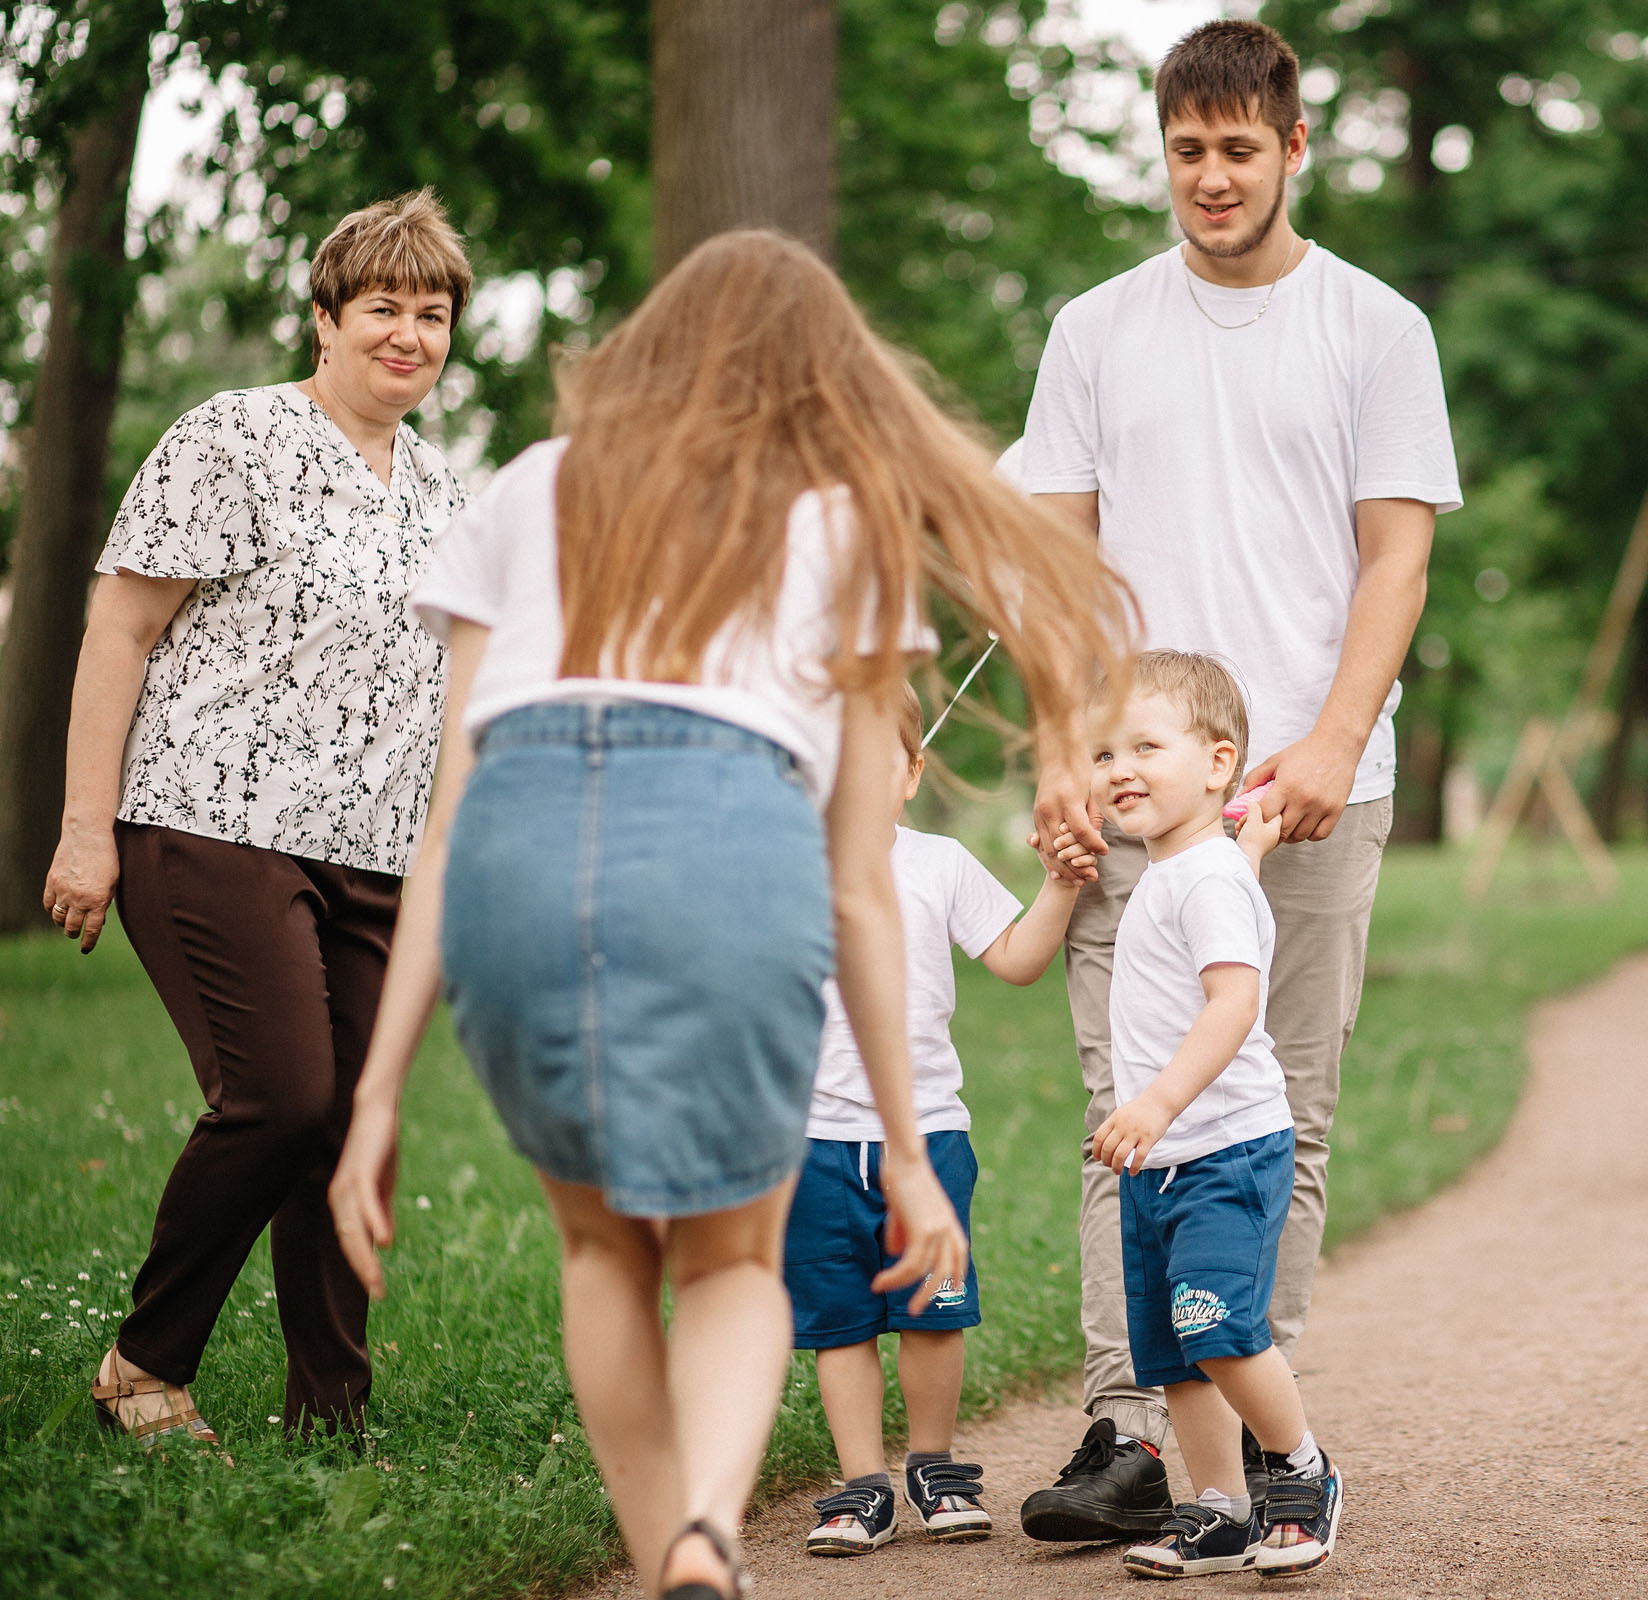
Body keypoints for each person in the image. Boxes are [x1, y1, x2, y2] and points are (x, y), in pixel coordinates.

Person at [324, 231, 1129, 1600]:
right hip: (720, 830)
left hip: (516, 843)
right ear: (827, 380)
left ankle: (667, 1568)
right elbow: (859, 886)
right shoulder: (838, 519)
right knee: (733, 1261)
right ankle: (705, 1527)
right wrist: (909, 1157)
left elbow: (447, 819)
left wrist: (378, 1095)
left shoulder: (532, 484)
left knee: (601, 1248)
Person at [1014, 18, 1460, 1535]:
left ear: (1293, 150)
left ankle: (1257, 1441)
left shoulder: (1375, 327)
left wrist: (1332, 738)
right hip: (1130, 782)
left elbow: (1397, 558)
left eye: (1238, 150)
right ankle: (1128, 1434)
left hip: (1309, 788)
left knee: (1283, 1112)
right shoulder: (1095, 328)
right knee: (1120, 1103)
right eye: (1188, 151)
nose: (1211, 177)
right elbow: (1050, 567)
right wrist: (1061, 752)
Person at [39, 191, 472, 1443]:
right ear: (326, 318)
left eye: (432, 314)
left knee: (345, 1122)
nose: (409, 334)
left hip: (378, 852)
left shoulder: (446, 490)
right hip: (208, 819)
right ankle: (144, 1362)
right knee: (281, 1094)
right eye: (383, 307)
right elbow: (118, 629)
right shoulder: (233, 437)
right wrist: (84, 830)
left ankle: (331, 1415)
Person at [792, 687, 1088, 1557]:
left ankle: (934, 1467)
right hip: (810, 1139)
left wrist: (1061, 885)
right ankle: (862, 1486)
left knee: (933, 1308)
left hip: (927, 1131)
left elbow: (1018, 959)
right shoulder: (783, 869)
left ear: (913, 771)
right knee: (837, 1320)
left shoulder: (939, 864)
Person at [1084, 650, 1342, 1580]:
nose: (1119, 769)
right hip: (1164, 1163)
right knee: (1177, 1356)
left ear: (1219, 762)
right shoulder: (1194, 868)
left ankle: (1301, 1469)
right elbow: (1227, 883)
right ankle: (1222, 1510)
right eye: (1104, 752)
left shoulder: (1203, 880)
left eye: (1145, 746)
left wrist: (1151, 1101)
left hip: (1223, 1150)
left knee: (1219, 1329)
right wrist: (1253, 847)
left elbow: (1233, 1003)